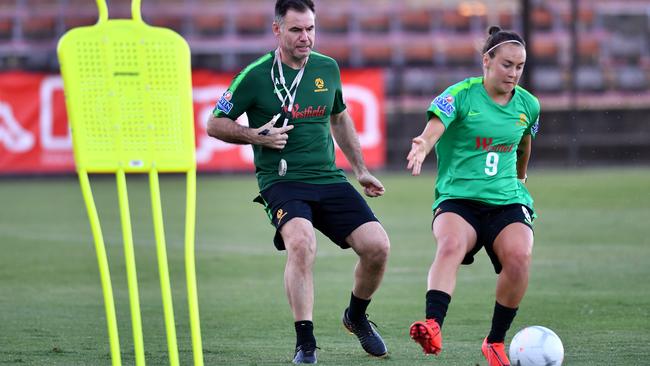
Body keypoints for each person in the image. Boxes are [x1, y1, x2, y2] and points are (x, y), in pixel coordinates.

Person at [206, 0, 390, 363]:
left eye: (310, 29)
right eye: (296, 30)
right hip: (282, 181)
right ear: (277, 30)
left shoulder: (327, 68)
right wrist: (256, 136)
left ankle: (355, 317)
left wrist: (360, 169)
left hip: (327, 177)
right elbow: (214, 123)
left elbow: (339, 118)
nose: (305, 37)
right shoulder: (256, 75)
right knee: (302, 244)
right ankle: (305, 343)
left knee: (377, 247)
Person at [405, 26, 540, 366]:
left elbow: (524, 141)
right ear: (486, 61)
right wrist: (423, 144)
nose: (514, 73)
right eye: (507, 64)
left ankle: (495, 342)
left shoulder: (529, 104)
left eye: (520, 66)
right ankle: (433, 325)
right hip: (459, 199)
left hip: (507, 199)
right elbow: (435, 127)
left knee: (520, 257)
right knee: (449, 245)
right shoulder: (460, 94)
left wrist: (521, 177)